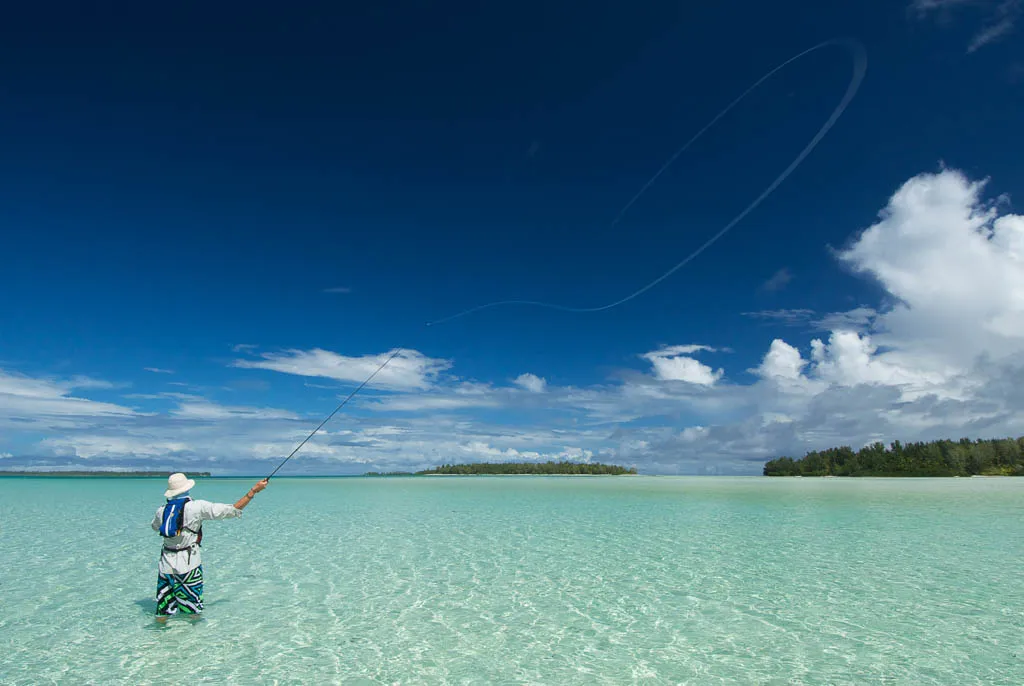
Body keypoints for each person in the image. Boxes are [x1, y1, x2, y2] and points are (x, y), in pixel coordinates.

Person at [150, 472, 268, 619]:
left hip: (165, 565)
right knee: (193, 612)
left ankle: (160, 637)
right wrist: (253, 491)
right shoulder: (197, 507)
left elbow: (155, 527)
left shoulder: (161, 510)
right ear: (187, 488)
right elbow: (232, 510)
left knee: (163, 610)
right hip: (189, 565)